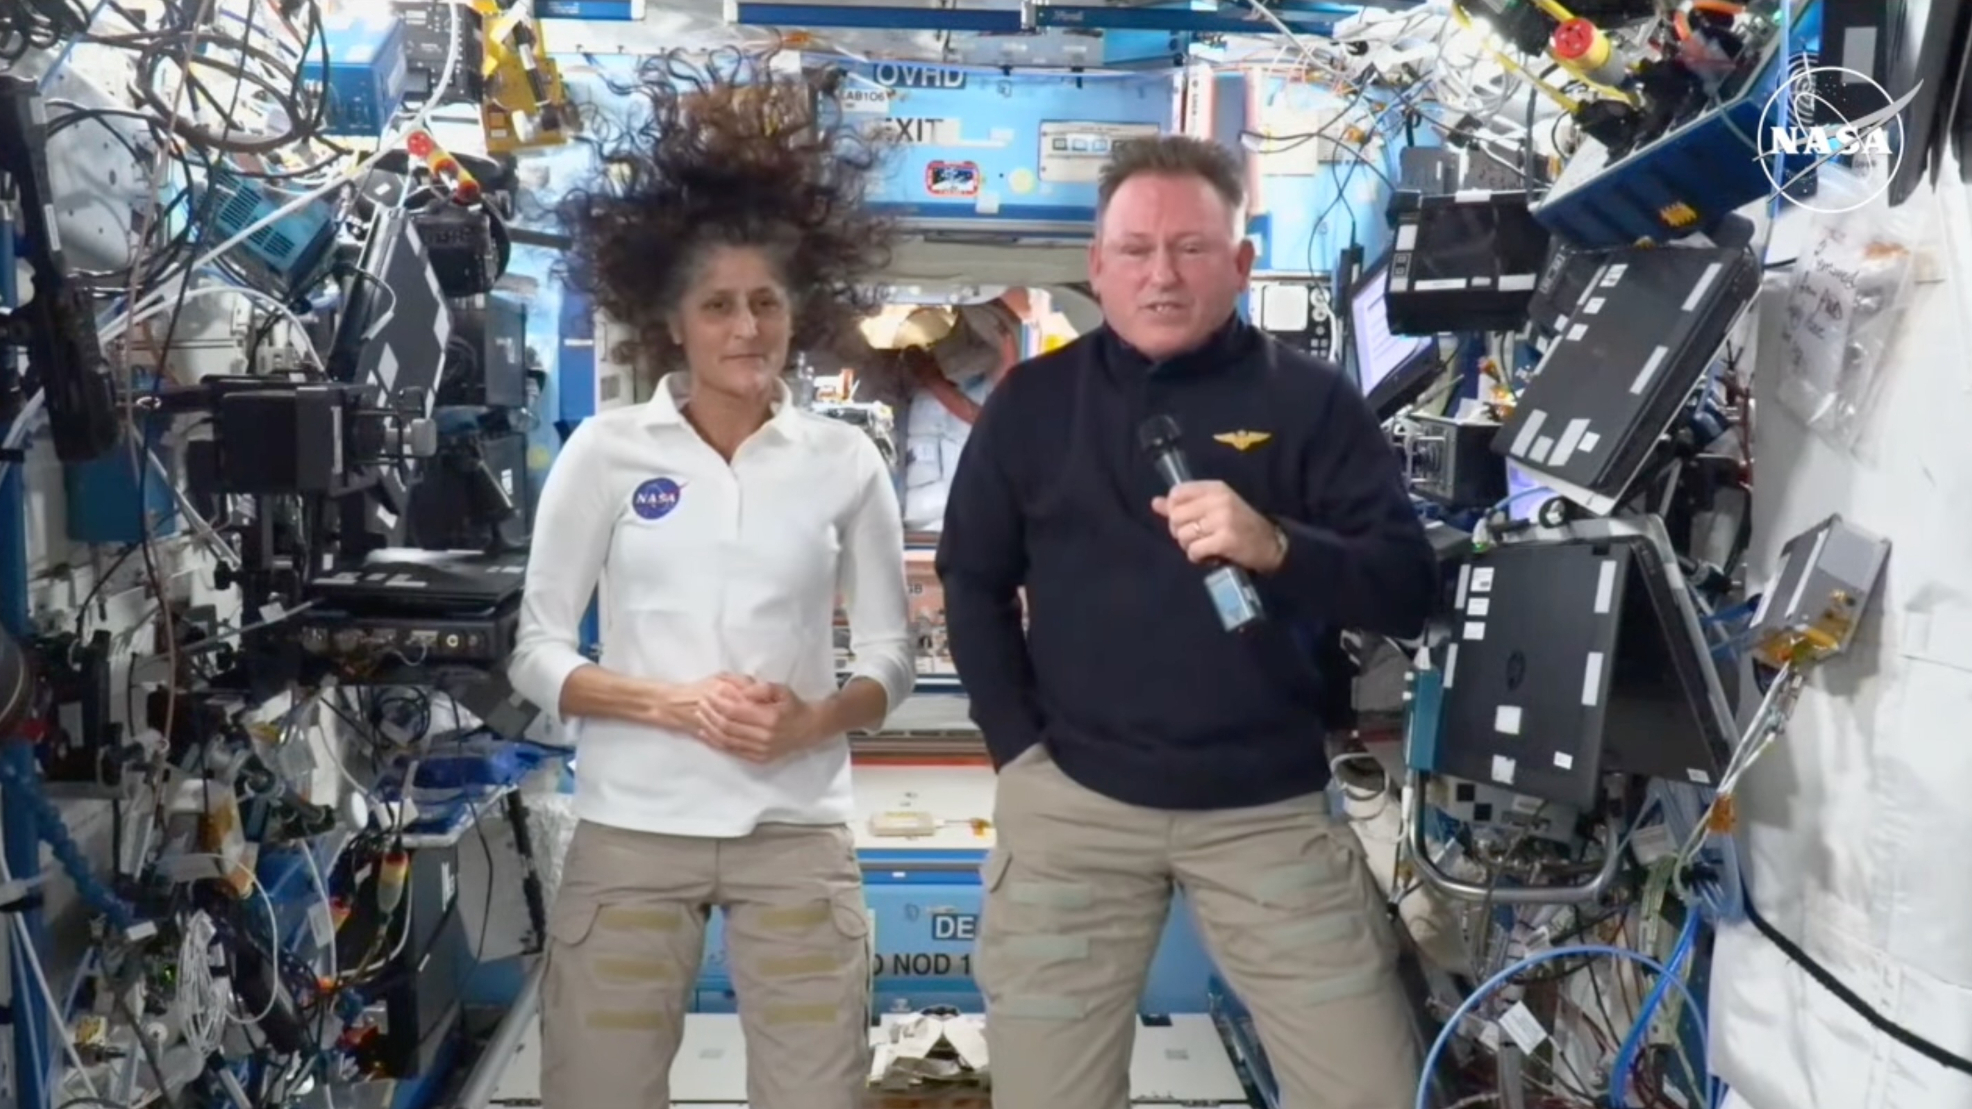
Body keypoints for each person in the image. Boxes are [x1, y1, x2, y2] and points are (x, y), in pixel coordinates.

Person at [936, 134, 1436, 1109]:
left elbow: (1407, 586)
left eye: (1191, 248)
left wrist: (1278, 544)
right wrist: (1018, 756)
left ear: (1240, 263)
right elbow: (972, 583)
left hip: (1268, 811)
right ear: (1096, 264)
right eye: (1134, 249)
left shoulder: (1311, 402)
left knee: (1367, 1088)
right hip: (1073, 807)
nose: (1159, 273)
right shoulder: (1034, 404)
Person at [507, 51, 914, 1109]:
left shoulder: (842, 460)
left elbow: (889, 659)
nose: (747, 329)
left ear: (798, 313)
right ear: (672, 322)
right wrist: (668, 700)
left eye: (766, 304)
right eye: (720, 306)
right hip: (633, 828)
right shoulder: (605, 452)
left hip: (796, 831)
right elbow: (538, 653)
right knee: (596, 1088)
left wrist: (812, 721)